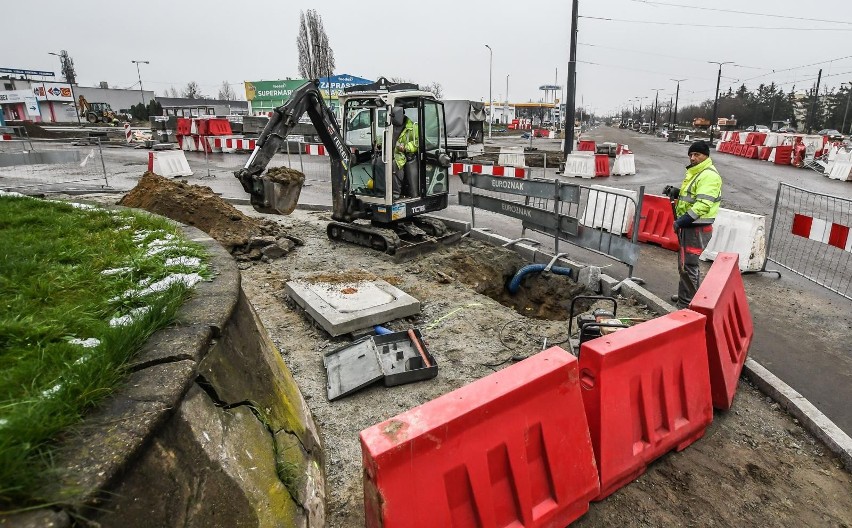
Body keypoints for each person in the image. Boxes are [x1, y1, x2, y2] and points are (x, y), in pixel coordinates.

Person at [670, 140, 722, 308]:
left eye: (697, 154)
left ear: (706, 156)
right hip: (691, 226)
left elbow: (703, 204)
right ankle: (685, 296)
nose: (693, 158)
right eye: (691, 155)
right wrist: (677, 192)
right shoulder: (697, 172)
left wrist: (683, 220)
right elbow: (693, 195)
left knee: (689, 265)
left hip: (696, 227)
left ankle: (687, 304)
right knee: (685, 264)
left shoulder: (709, 175)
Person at [391, 106, 418, 199]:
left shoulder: (413, 127)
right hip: (391, 153)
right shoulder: (391, 125)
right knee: (377, 161)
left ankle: (395, 193)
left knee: (395, 164)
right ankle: (381, 190)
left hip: (402, 155)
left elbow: (417, 143)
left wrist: (406, 147)